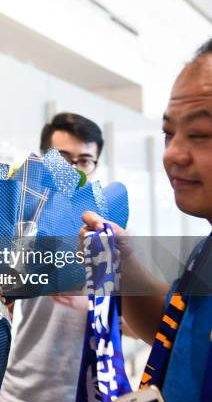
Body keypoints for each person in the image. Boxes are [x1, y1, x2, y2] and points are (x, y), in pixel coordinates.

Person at [81, 38, 212, 402]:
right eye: (169, 133)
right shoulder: (206, 251)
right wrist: (123, 262)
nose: (173, 154)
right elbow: (170, 330)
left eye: (200, 135)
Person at [1, 113, 104, 402]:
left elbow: (136, 326)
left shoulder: (113, 233)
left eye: (84, 161)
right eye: (63, 159)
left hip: (88, 392)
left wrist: (94, 298)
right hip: (19, 392)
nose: (74, 171)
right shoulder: (22, 221)